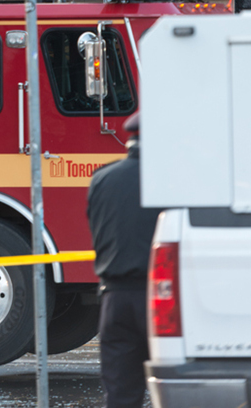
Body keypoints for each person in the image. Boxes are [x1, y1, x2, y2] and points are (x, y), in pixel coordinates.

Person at [86, 111, 162, 408]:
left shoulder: (102, 179)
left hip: (113, 299)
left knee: (119, 395)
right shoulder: (169, 181)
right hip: (158, 300)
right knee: (170, 390)